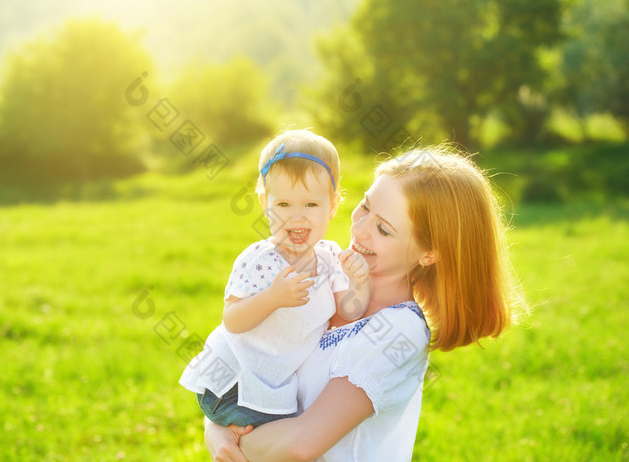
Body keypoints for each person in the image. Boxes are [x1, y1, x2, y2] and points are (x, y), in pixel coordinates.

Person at [203, 145, 523, 461]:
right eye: (365, 206)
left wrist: (227, 441)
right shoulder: (326, 283)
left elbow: (299, 444)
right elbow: (242, 360)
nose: (358, 229)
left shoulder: (400, 331)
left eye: (383, 229)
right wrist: (214, 425)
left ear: (430, 253)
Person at [179, 130, 371, 429]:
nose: (297, 217)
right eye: (283, 205)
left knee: (293, 436)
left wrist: (359, 281)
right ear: (264, 202)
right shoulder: (260, 261)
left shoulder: (330, 258)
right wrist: (271, 298)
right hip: (233, 383)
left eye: (311, 205)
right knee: (290, 439)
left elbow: (350, 311)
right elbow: (232, 320)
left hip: (270, 386)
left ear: (333, 205)